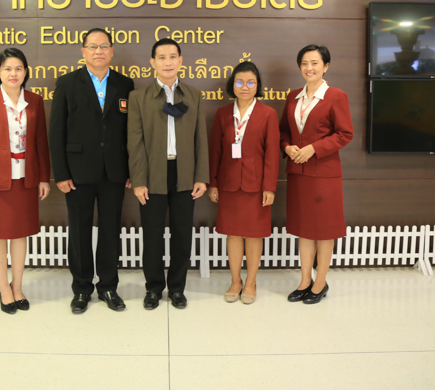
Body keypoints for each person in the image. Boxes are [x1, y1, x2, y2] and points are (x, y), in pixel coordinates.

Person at [49, 28, 135, 314]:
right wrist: (61, 174)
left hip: (115, 171)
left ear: (112, 51)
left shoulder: (125, 84)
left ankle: (109, 287)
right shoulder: (67, 83)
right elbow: (56, 131)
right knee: (79, 231)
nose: (99, 51)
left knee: (111, 231)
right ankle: (82, 289)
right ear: (83, 51)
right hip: (77, 172)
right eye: (93, 46)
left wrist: (131, 169)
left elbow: (132, 131)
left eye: (104, 46)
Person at [127, 38, 209, 310]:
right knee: (152, 235)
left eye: (173, 56)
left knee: (182, 235)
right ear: (152, 62)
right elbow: (135, 143)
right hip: (152, 174)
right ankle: (153, 288)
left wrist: (201, 176)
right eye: (161, 57)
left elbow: (201, 139)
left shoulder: (194, 95)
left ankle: (176, 289)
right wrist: (138, 180)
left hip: (185, 173)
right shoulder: (139, 97)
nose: (168, 62)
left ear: (181, 61)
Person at [0, 48, 51, 314]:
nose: (13, 73)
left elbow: (41, 142)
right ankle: (3, 288)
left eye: (18, 68)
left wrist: (44, 177)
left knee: (20, 234)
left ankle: (17, 286)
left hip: (26, 178)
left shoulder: (35, 100)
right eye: (7, 69)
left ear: (26, 72)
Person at [279, 44, 353, 305]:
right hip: (298, 172)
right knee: (304, 229)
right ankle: (304, 281)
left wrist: (314, 148)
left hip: (323, 174)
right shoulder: (293, 97)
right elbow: (284, 130)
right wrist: (287, 146)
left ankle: (320, 282)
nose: (309, 68)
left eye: (314, 63)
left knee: (324, 230)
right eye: (304, 63)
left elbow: (345, 134)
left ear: (326, 66)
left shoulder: (336, 96)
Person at [208, 62, 280, 305]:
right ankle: (235, 281)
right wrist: (213, 183)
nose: (245, 87)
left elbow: (272, 154)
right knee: (233, 234)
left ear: (258, 85)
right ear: (232, 85)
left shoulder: (268, 114)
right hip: (228, 184)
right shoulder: (222, 114)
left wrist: (269, 187)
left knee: (254, 235)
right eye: (239, 82)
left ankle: (251, 281)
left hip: (256, 185)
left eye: (251, 82)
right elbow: (215, 151)